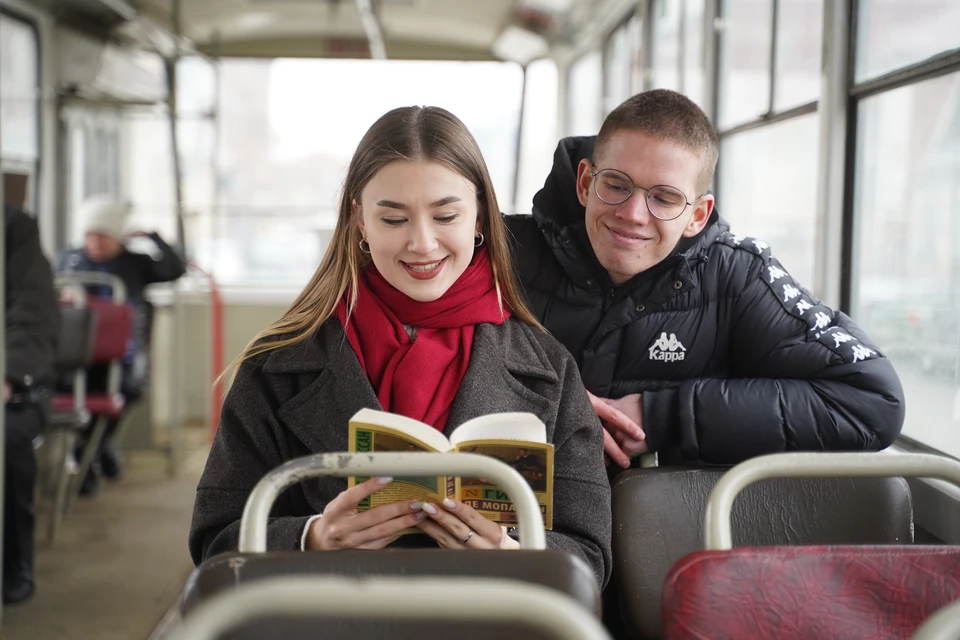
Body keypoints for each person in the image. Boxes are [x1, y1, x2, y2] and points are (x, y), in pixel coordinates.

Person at [188, 106, 612, 588]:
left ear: (479, 217)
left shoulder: (551, 368)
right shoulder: (277, 365)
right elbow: (214, 542)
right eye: (393, 219)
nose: (423, 243)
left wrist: (515, 553)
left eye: (445, 215)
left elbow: (590, 556)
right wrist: (313, 539)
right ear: (360, 223)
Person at [505, 89, 905, 470]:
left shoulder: (739, 277)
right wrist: (554, 401)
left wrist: (660, 416)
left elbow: (873, 402)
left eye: (663, 198)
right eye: (616, 185)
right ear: (585, 182)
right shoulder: (503, 254)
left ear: (698, 214)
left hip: (669, 527)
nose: (633, 214)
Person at [57, 197, 186, 493]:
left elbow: (175, 268)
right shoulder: (69, 260)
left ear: (118, 238)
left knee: (128, 390)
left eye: (103, 236)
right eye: (91, 236)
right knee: (77, 396)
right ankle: (89, 458)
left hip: (124, 352)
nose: (96, 244)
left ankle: (98, 446)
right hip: (79, 352)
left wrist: (153, 237)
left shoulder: (134, 263)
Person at [4, 203, 59, 604]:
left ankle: (11, 562)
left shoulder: (13, 228)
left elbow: (31, 314)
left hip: (14, 382)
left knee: (7, 442)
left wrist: (9, 375)